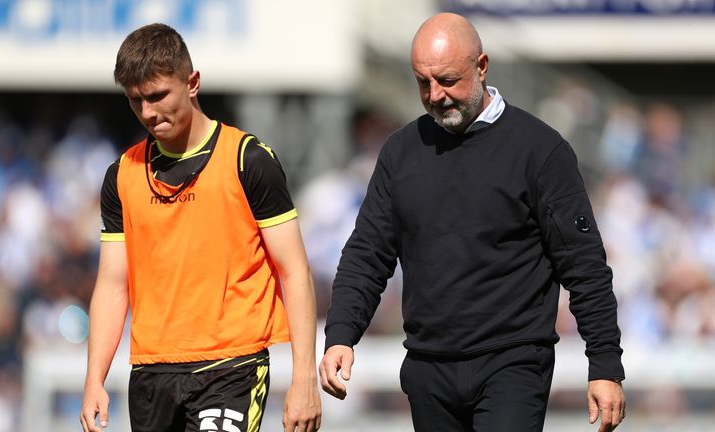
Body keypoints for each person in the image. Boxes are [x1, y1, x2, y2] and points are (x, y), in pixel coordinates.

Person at [319, 13, 626, 432]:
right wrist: (341, 334)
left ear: (481, 66)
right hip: (428, 367)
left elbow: (584, 264)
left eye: (447, 80)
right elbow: (367, 254)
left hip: (513, 363)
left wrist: (605, 364)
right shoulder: (400, 152)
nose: (435, 95)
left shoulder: (540, 150)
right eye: (422, 83)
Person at [79, 23, 321, 432]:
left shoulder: (248, 160)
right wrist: (93, 379)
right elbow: (112, 285)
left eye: (158, 96)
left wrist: (304, 377)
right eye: (136, 101)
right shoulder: (121, 175)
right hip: (151, 370)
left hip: (233, 365)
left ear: (192, 82)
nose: (149, 113)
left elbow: (295, 270)